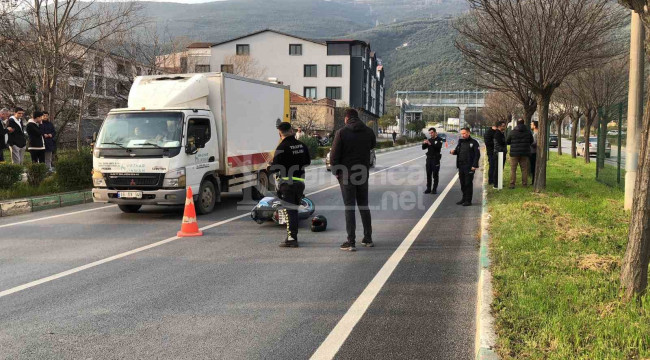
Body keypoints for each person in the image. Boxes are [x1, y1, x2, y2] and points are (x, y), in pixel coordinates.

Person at [330, 108, 376, 251]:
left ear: (346, 118)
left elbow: (333, 157)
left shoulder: (342, 133)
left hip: (347, 174)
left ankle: (351, 242)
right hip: (362, 173)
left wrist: (336, 172)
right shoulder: (369, 131)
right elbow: (372, 146)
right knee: (364, 205)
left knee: (349, 207)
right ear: (357, 117)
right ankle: (368, 238)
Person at [268, 122, 311, 248]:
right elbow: (307, 162)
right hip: (299, 183)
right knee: (294, 211)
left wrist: (269, 166)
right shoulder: (302, 145)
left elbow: (275, 168)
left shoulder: (282, 147)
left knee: (289, 212)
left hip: (287, 184)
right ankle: (292, 236)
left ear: (279, 133)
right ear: (292, 130)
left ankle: (292, 238)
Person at [450, 127, 480, 206]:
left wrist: (474, 165)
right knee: (462, 183)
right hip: (461, 166)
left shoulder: (474, 142)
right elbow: (457, 151)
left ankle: (468, 200)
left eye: (464, 133)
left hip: (469, 166)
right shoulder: (460, 142)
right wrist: (453, 152)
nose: (462, 135)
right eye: (461, 133)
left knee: (468, 183)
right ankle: (464, 198)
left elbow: (477, 155)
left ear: (468, 133)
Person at [506, 119, 534, 189]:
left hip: (514, 154)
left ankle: (512, 184)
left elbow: (507, 141)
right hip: (524, 153)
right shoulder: (528, 132)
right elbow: (531, 141)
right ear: (523, 123)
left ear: (517, 124)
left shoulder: (512, 132)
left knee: (513, 169)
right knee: (524, 169)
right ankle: (524, 184)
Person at [422, 127, 443, 194]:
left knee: (435, 175)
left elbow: (438, 147)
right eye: (430, 133)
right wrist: (424, 143)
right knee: (428, 174)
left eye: (432, 133)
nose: (431, 134)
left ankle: (434, 189)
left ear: (435, 133)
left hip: (435, 159)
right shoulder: (429, 140)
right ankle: (428, 188)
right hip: (429, 159)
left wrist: (430, 144)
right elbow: (423, 148)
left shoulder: (440, 140)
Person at [493, 121, 507, 189]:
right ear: (499, 126)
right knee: (498, 168)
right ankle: (496, 184)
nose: (504, 127)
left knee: (500, 168)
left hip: (501, 152)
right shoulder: (498, 134)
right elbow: (502, 142)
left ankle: (499, 183)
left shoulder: (501, 133)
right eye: (503, 126)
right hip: (499, 153)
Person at [530, 120, 538, 185]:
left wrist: (529, 142)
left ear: (535, 126)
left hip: (534, 152)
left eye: (531, 124)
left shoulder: (535, 134)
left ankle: (533, 181)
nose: (531, 125)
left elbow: (535, 144)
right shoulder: (535, 133)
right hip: (533, 152)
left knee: (533, 167)